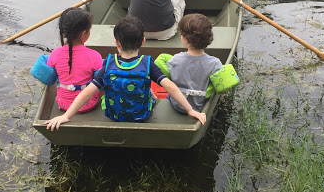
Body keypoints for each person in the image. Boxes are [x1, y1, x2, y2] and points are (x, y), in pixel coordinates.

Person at [45, 17, 206, 130]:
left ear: (116, 42)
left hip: (113, 115)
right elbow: (170, 87)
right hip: (142, 115)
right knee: (153, 95)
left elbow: (87, 93)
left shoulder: (108, 63)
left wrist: (67, 116)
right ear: (143, 41)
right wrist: (190, 110)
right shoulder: (147, 63)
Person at [159, 13, 224, 114]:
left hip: (177, 104)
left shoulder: (175, 60)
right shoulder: (215, 63)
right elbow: (222, 89)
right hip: (199, 105)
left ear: (185, 39)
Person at [46, 8, 103, 113]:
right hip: (88, 104)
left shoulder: (55, 54)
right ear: (84, 34)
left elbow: (51, 78)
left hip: (62, 104)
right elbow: (102, 82)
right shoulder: (95, 56)